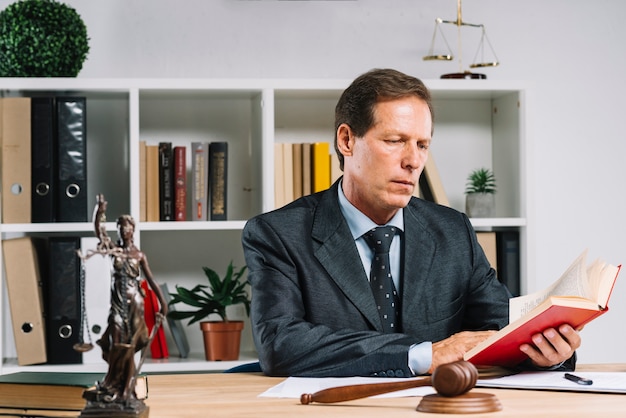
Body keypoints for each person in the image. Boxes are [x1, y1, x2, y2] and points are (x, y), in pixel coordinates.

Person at [242, 68, 580, 377]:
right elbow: (281, 343)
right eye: (395, 141)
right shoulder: (278, 234)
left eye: (422, 145)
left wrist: (547, 352)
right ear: (347, 140)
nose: (413, 161)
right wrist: (422, 355)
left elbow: (500, 328)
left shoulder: (453, 232)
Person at [89, 194, 168, 402]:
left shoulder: (139, 255)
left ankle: (126, 388)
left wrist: (163, 302)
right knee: (115, 341)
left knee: (131, 346)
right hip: (117, 303)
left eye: (127, 227)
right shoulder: (113, 250)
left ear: (133, 230)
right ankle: (113, 381)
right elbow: (99, 230)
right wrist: (100, 211)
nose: (124, 231)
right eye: (121, 228)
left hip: (136, 304)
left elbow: (151, 280)